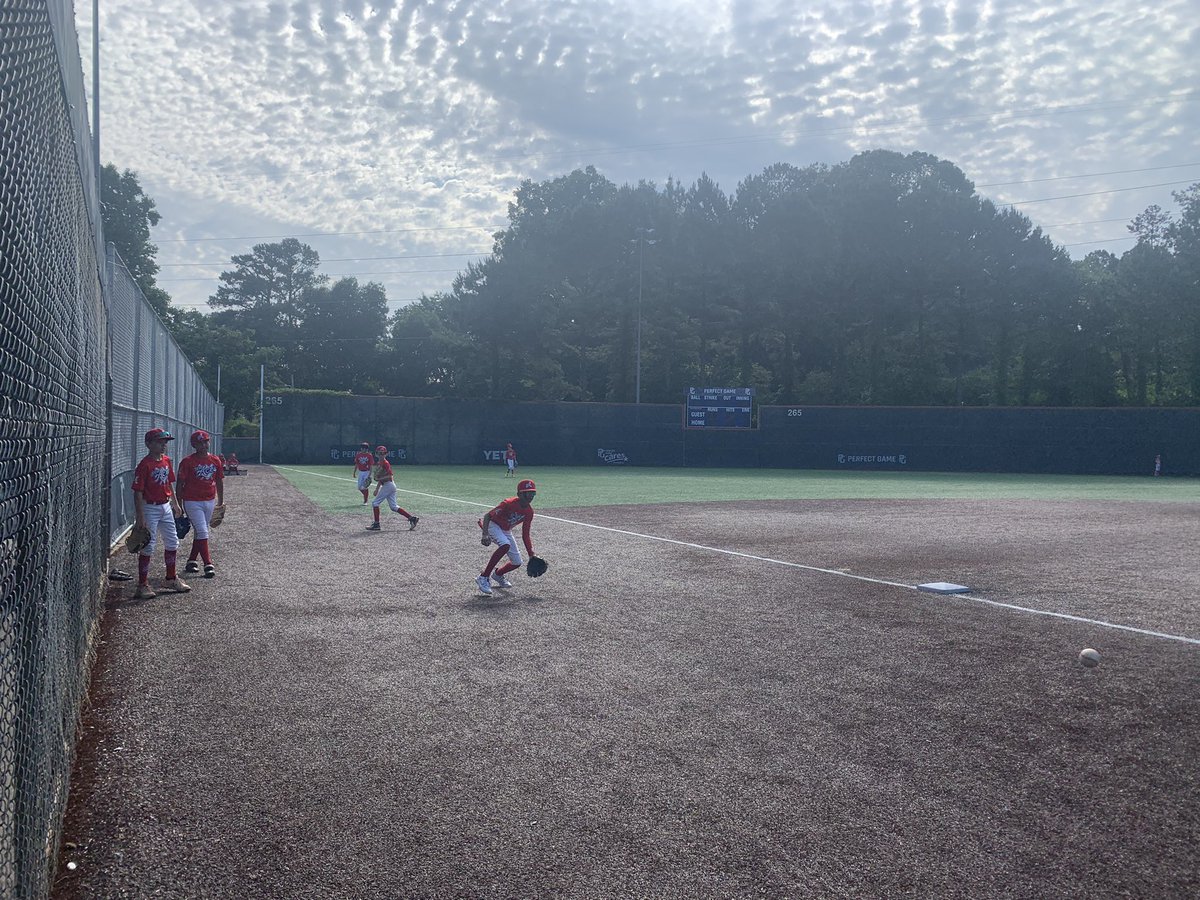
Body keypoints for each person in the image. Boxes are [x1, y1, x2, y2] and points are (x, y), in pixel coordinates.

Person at [131, 427, 190, 598]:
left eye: (165, 441)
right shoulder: (144, 465)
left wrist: (176, 504)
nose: (163, 444)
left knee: (172, 541)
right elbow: (138, 492)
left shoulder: (166, 461)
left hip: (165, 506)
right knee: (148, 545)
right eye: (159, 441)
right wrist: (140, 516)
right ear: (148, 444)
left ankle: (171, 578)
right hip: (149, 507)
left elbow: (169, 483)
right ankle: (142, 585)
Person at [476, 479, 537, 595]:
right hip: (493, 525)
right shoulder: (508, 503)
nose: (530, 496)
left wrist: (531, 554)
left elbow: (525, 534)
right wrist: (485, 534)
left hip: (505, 530)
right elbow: (488, 516)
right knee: (505, 545)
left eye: (533, 493)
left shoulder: (529, 512)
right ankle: (483, 577)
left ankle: (498, 574)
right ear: (519, 494)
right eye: (527, 493)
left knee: (517, 562)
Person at [178, 430, 225, 578]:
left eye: (206, 441)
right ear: (194, 445)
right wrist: (178, 505)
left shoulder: (215, 460)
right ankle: (208, 564)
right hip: (192, 501)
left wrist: (220, 501)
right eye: (200, 442)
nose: (204, 445)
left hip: (209, 500)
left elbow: (219, 481)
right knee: (203, 531)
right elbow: (180, 484)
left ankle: (191, 560)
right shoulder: (187, 461)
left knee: (200, 532)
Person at [367, 446, 419, 531]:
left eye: (383, 453)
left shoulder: (385, 463)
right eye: (379, 453)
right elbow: (381, 478)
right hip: (389, 485)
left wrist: (379, 479)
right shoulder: (379, 463)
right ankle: (412, 518)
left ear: (386, 454)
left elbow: (390, 476)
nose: (381, 455)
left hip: (389, 485)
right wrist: (377, 488)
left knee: (375, 503)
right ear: (376, 454)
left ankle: (376, 525)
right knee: (393, 507)